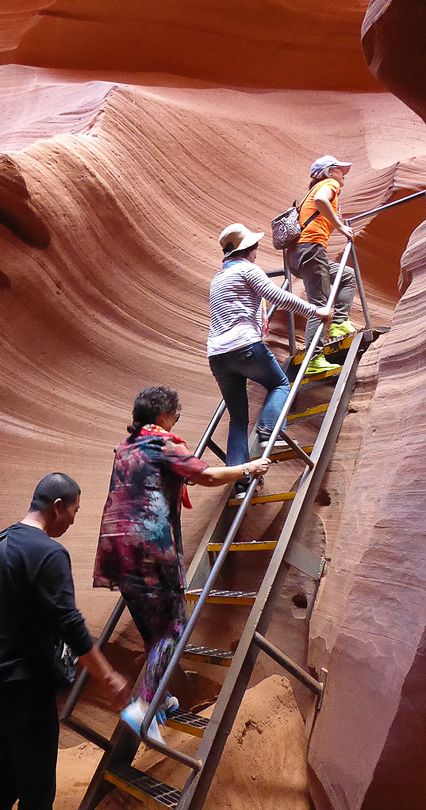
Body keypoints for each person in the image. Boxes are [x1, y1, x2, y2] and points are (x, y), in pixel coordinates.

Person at [93, 386, 271, 743]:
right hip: (150, 549)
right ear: (163, 416)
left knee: (152, 632)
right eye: (176, 414)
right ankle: (144, 706)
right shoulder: (163, 444)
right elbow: (203, 475)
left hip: (116, 553)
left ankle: (159, 700)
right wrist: (248, 467)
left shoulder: (126, 448)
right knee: (173, 628)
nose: (177, 420)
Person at [0, 473, 128, 810]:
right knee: (37, 790)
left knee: (9, 772)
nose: (73, 519)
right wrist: (107, 677)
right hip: (24, 694)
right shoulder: (50, 553)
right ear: (57, 507)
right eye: (74, 510)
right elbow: (70, 624)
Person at [208, 223, 331, 493]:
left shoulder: (218, 278)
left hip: (217, 356)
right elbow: (277, 296)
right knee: (280, 384)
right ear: (248, 249)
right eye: (255, 247)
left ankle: (239, 485)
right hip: (244, 346)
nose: (257, 252)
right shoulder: (247, 269)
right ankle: (268, 432)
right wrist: (316, 311)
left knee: (238, 420)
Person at [285, 155, 357, 374]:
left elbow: (318, 211)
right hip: (311, 249)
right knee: (320, 305)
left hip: (298, 255)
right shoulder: (329, 185)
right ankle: (314, 359)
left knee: (346, 275)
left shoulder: (311, 191)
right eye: (339, 169)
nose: (342, 174)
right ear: (328, 172)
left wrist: (334, 218)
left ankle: (339, 323)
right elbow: (321, 201)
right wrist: (341, 225)